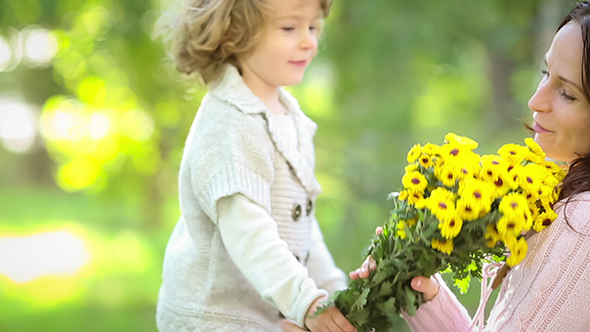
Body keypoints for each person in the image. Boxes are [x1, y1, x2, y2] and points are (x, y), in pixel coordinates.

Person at [282, 1, 590, 332]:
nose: (536, 101)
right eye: (545, 74)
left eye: (567, 94)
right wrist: (425, 295)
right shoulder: (561, 200)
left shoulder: (581, 223)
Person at [154, 0, 357, 331]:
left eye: (312, 26)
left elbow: (302, 227)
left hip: (260, 313)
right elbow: (249, 232)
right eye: (289, 28)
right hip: (213, 316)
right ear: (236, 34)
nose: (308, 41)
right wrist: (307, 302)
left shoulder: (289, 118)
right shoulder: (230, 124)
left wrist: (335, 294)